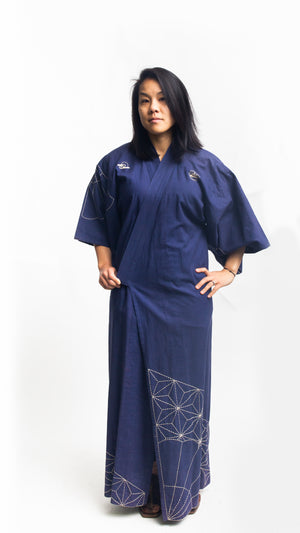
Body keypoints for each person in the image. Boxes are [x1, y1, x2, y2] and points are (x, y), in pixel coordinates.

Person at [74, 67, 270, 522]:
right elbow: (101, 220)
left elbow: (234, 217)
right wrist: (103, 262)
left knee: (182, 392)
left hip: (185, 298)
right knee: (133, 387)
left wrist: (230, 269)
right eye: (144, 100)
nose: (153, 108)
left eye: (161, 99)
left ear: (178, 106)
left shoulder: (204, 166)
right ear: (136, 109)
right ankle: (142, 480)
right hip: (133, 295)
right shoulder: (116, 164)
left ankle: (179, 485)